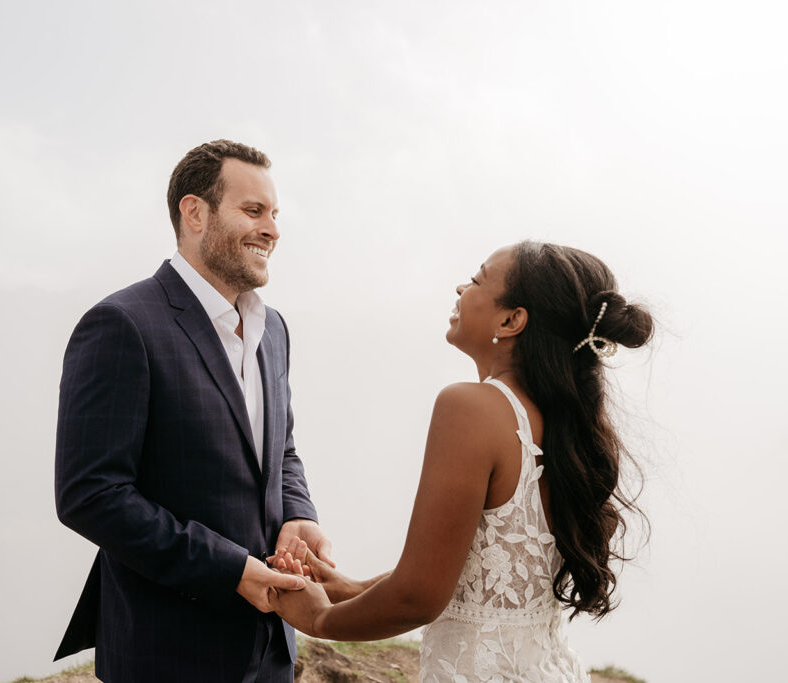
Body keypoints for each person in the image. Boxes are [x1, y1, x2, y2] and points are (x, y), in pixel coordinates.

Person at [271, 241, 653, 682]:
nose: (460, 288)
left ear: (511, 320)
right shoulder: (570, 424)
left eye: (476, 280)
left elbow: (417, 598)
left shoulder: (471, 407)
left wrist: (319, 619)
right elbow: (473, 563)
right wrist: (355, 590)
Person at [53, 139, 332, 682]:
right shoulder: (122, 324)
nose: (272, 230)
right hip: (167, 653)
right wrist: (231, 570)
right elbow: (91, 495)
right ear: (195, 213)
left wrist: (299, 513)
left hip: (272, 650)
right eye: (253, 210)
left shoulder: (274, 330)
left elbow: (281, 452)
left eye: (274, 215)